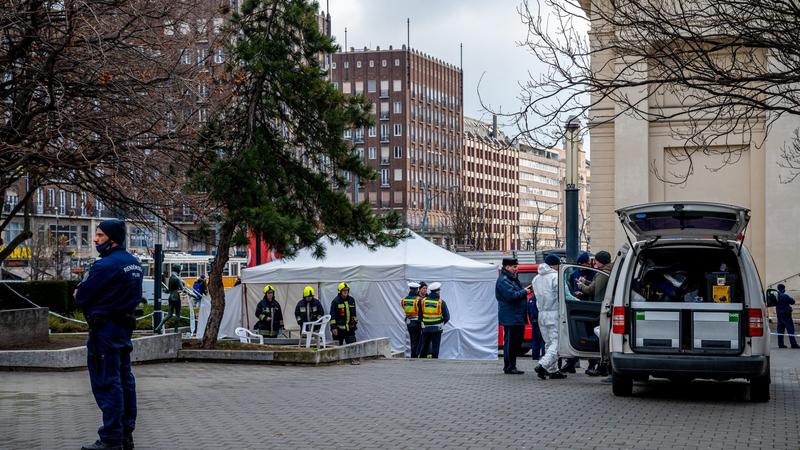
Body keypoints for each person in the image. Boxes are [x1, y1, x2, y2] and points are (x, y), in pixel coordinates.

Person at [75, 219, 142, 450]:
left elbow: (81, 296)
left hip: (104, 331)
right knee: (125, 380)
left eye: (100, 235)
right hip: (123, 329)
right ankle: (125, 433)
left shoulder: (104, 266)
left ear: (112, 238)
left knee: (107, 382)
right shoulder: (134, 264)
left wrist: (80, 294)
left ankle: (111, 437)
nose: (95, 239)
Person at [532, 254, 567, 380]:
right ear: (554, 265)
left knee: (548, 342)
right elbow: (563, 295)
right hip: (554, 313)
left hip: (542, 313)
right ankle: (543, 365)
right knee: (557, 343)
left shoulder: (536, 278)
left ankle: (553, 370)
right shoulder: (556, 277)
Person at [496, 256, 532, 374]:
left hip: (516, 316)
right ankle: (509, 367)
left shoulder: (510, 278)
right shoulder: (503, 280)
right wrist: (525, 291)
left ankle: (512, 365)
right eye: (514, 267)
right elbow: (511, 295)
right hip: (511, 317)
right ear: (507, 267)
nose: (516, 269)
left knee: (516, 342)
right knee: (511, 343)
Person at [418, 282, 450, 358]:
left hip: (425, 329)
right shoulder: (441, 302)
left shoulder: (422, 301)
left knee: (424, 347)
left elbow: (420, 316)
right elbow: (447, 317)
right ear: (437, 291)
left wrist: (423, 323)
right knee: (435, 348)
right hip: (437, 329)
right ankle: (434, 364)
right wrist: (441, 324)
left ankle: (421, 364)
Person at [155, 264, 184, 334]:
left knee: (169, 314)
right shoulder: (177, 278)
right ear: (178, 269)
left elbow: (169, 289)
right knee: (177, 314)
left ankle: (158, 327)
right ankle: (176, 330)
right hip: (176, 297)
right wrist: (182, 283)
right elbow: (182, 288)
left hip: (170, 297)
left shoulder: (171, 277)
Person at [402, 281, 423, 358]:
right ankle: (415, 355)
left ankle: (412, 354)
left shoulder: (404, 300)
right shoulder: (419, 300)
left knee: (412, 339)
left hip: (408, 321)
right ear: (417, 290)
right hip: (417, 322)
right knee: (417, 340)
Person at [776, 284, 800, 349]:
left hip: (779, 315)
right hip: (786, 315)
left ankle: (780, 344)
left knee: (780, 330)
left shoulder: (776, 296)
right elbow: (792, 301)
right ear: (783, 289)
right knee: (790, 330)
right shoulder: (784, 296)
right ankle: (793, 344)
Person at [527, 292, 545, 360]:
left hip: (534, 321)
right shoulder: (541, 298)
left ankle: (535, 356)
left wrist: (531, 321)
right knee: (543, 339)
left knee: (535, 340)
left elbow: (529, 312)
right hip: (541, 320)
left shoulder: (531, 299)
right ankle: (544, 355)